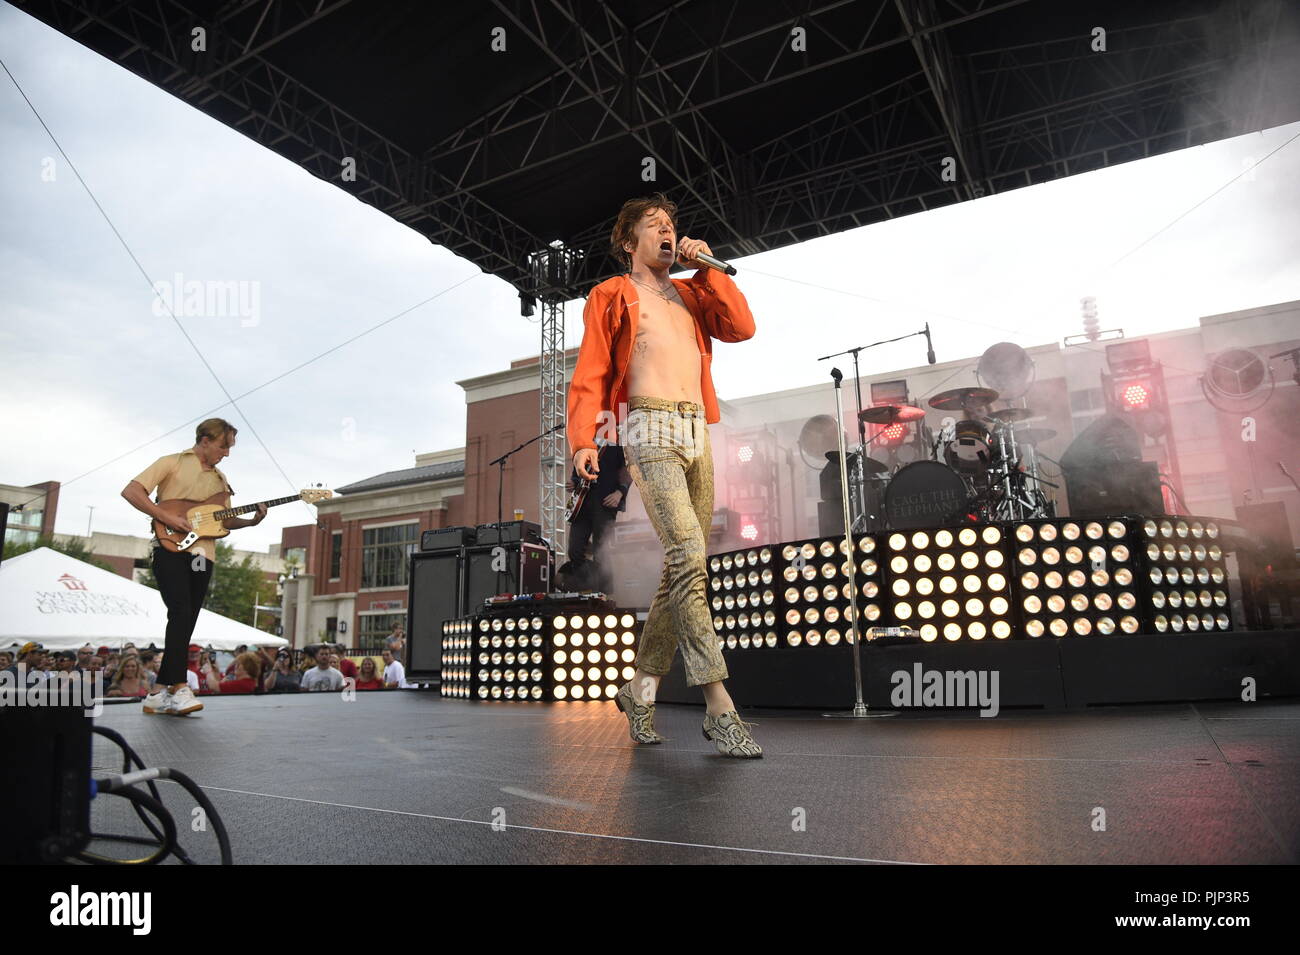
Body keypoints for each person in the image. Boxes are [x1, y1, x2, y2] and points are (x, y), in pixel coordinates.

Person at [568, 193, 762, 758]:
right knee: (688, 555)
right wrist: (586, 438)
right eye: (654, 225)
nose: (667, 231)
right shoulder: (611, 294)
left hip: (695, 429)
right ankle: (719, 704)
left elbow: (743, 327)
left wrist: (709, 267)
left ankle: (642, 688)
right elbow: (592, 368)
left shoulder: (693, 292)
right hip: (647, 429)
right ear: (630, 242)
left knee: (683, 564)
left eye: (672, 225)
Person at [122, 418, 267, 716]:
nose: (226, 453)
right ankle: (179, 684)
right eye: (223, 446)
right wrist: (168, 517)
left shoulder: (221, 480)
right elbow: (132, 491)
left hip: (204, 553)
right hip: (170, 546)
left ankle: (158, 692)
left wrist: (252, 521)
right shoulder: (172, 462)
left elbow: (224, 521)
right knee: (179, 609)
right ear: (204, 440)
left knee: (187, 616)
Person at [560, 444, 632, 593]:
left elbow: (628, 468)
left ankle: (605, 596)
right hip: (582, 504)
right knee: (575, 550)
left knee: (602, 552)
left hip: (605, 501)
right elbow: (577, 470)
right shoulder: (584, 442)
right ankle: (588, 588)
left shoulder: (615, 441)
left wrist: (620, 492)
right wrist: (573, 482)